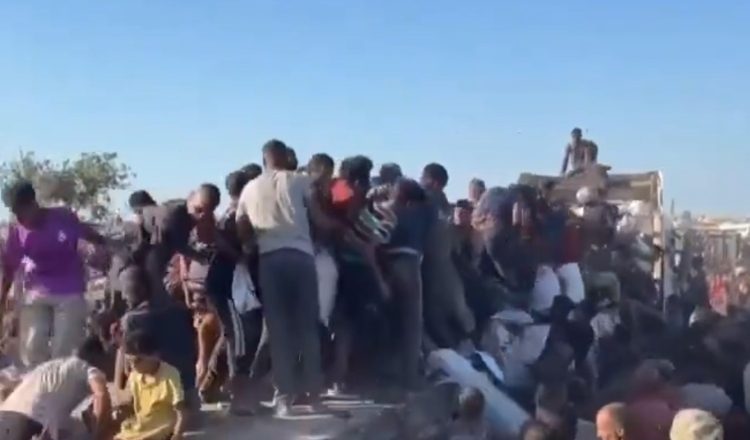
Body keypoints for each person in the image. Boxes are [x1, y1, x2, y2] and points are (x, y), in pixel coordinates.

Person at [236, 139, 340, 415]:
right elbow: (318, 218)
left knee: (278, 330)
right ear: (285, 157)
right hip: (301, 257)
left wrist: (251, 245)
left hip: (270, 260)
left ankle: (283, 400)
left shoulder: (249, 188)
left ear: (264, 159)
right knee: (308, 327)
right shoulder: (300, 181)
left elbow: (241, 225)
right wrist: (339, 227)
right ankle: (314, 397)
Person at [1, 180, 107, 367]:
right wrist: (2, 300)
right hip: (36, 292)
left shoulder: (63, 218)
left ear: (33, 204)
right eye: (14, 212)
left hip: (69, 291)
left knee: (64, 350)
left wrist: (101, 244)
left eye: (22, 211)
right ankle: (35, 380)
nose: (19, 217)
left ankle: (61, 380)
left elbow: (87, 233)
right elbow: (9, 269)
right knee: (32, 347)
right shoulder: (17, 231)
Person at [115, 266, 197, 412]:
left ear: (138, 289)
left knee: (124, 351)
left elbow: (129, 368)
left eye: (124, 290)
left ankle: (120, 399)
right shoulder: (179, 309)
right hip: (190, 392)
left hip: (160, 398)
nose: (122, 296)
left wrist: (120, 342)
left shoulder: (132, 319)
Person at [380, 178, 436, 388]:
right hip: (410, 263)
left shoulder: (385, 209)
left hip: (385, 264)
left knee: (390, 318)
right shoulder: (423, 212)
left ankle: (387, 369)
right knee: (412, 323)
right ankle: (409, 376)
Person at [0, 336, 111, 440]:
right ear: (97, 357)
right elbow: (101, 395)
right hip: (29, 422)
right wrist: (96, 433)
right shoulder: (87, 368)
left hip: (4, 415)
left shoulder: (50, 366)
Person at [420, 163, 475, 349]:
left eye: (423, 178)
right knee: (456, 310)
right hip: (446, 265)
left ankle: (452, 351)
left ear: (433, 182)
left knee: (434, 315)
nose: (421, 181)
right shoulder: (444, 205)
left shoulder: (426, 201)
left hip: (429, 268)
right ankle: (467, 345)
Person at [132, 185, 218, 302]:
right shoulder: (174, 215)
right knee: (156, 277)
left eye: (206, 212)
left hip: (163, 235)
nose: (201, 215)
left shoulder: (192, 211)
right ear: (190, 199)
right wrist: (201, 258)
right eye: (198, 210)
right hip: (153, 238)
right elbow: (180, 246)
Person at [116, 330, 187, 440]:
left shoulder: (170, 376)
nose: (133, 366)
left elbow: (182, 411)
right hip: (140, 429)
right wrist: (121, 409)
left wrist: (177, 434)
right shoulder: (135, 376)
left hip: (160, 432)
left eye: (137, 361)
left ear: (155, 355)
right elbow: (133, 405)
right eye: (129, 362)